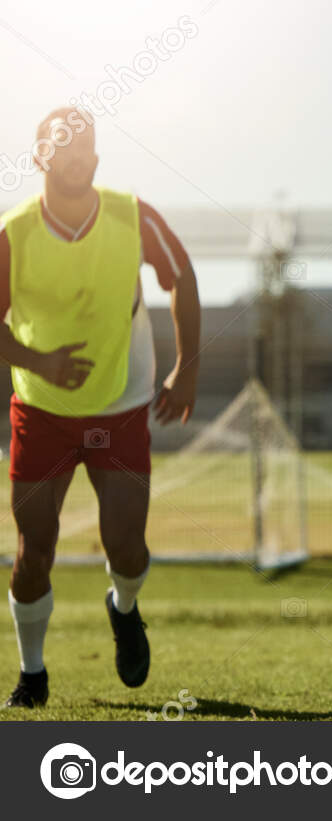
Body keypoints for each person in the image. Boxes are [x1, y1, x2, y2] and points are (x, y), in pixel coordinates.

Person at [0, 108, 200, 709]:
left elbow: (181, 275)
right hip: (42, 411)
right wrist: (40, 363)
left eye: (85, 145)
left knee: (128, 547)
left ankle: (125, 608)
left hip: (121, 404)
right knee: (34, 551)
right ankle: (32, 676)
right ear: (39, 158)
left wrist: (186, 370)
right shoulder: (13, 234)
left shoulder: (131, 214)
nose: (76, 155)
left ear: (97, 158)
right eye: (62, 146)